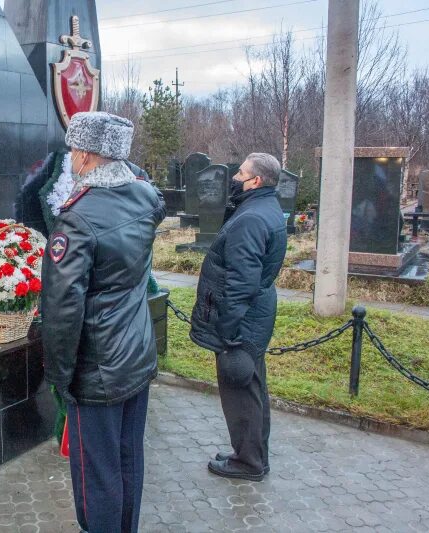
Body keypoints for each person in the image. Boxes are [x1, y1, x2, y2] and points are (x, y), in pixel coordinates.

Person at [41, 111, 166, 533]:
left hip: (96, 370)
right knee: (129, 459)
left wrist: (60, 377)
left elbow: (62, 309)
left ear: (89, 155)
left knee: (97, 477)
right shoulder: (145, 197)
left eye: (75, 149)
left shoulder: (77, 218)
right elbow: (151, 189)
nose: (71, 158)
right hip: (136, 355)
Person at [188, 152, 287, 482]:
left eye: (241, 173)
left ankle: (248, 463)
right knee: (253, 388)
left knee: (240, 392)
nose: (234, 177)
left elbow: (241, 281)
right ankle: (254, 455)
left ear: (256, 181)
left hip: (241, 323)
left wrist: (227, 331)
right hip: (255, 316)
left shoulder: (250, 219)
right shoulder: (265, 207)